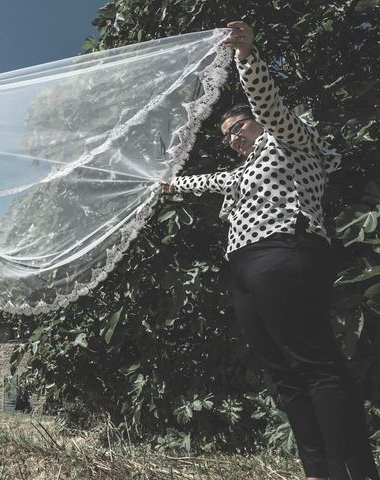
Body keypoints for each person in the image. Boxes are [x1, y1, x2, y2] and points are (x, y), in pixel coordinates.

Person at [162, 21, 378, 480]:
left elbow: (271, 104)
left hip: (285, 250)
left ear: (256, 123)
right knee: (282, 376)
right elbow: (202, 181)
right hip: (244, 268)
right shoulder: (240, 173)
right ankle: (320, 472)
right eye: (225, 136)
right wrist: (165, 183)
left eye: (237, 127)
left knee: (316, 366)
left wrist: (246, 56)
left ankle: (358, 470)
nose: (232, 137)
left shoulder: (289, 139)